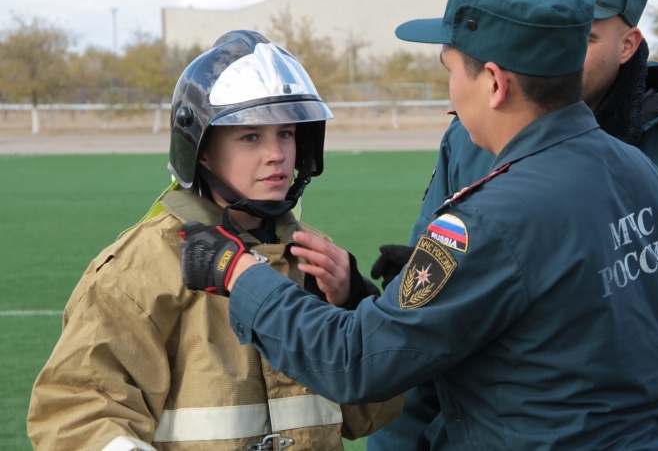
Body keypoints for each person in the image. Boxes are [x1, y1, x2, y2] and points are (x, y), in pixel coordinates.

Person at [180, 0, 658, 449]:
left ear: (495, 83)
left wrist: (238, 271)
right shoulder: (635, 168)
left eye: (452, 70)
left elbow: (357, 361)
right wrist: (366, 297)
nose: (451, 94)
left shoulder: (493, 218)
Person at [368, 0, 658, 451]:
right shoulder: (469, 139)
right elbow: (425, 308)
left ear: (628, 45)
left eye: (585, 35)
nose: (558, 44)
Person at [27, 30, 402, 451]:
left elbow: (365, 415)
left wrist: (355, 307)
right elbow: (76, 409)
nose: (277, 154)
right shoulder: (145, 266)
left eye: (287, 134)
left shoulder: (314, 256)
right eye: (250, 137)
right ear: (201, 150)